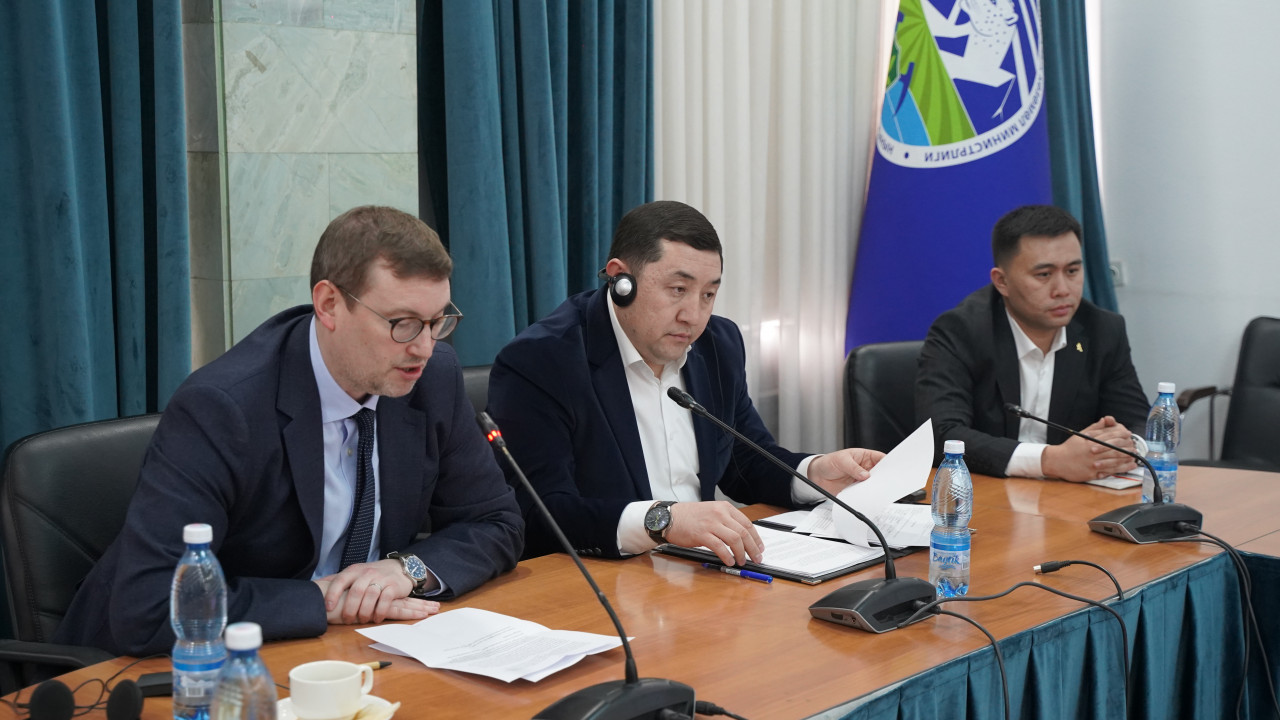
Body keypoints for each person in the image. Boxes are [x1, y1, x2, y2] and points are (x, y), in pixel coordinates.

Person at [56, 206, 523, 656]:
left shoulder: (431, 378)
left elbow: (495, 522)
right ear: (329, 304)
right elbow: (152, 605)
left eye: (437, 321)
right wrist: (323, 601)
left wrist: (406, 570)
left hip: (357, 651)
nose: (423, 347)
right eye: (403, 324)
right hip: (164, 668)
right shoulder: (222, 409)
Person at [487, 200, 884, 565]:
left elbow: (745, 461)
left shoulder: (718, 345)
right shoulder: (542, 361)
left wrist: (814, 473)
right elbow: (540, 512)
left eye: (708, 294)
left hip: (701, 573)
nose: (693, 316)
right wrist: (662, 520)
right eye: (678, 290)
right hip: (602, 578)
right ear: (620, 280)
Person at [915, 204, 1149, 481]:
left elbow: (1137, 422)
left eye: (1072, 271)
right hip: (985, 492)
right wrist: (1050, 460)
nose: (1063, 289)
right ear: (1002, 281)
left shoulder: (1102, 330)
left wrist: (1125, 446)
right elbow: (943, 435)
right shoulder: (961, 331)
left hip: (1072, 495)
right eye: (1044, 275)